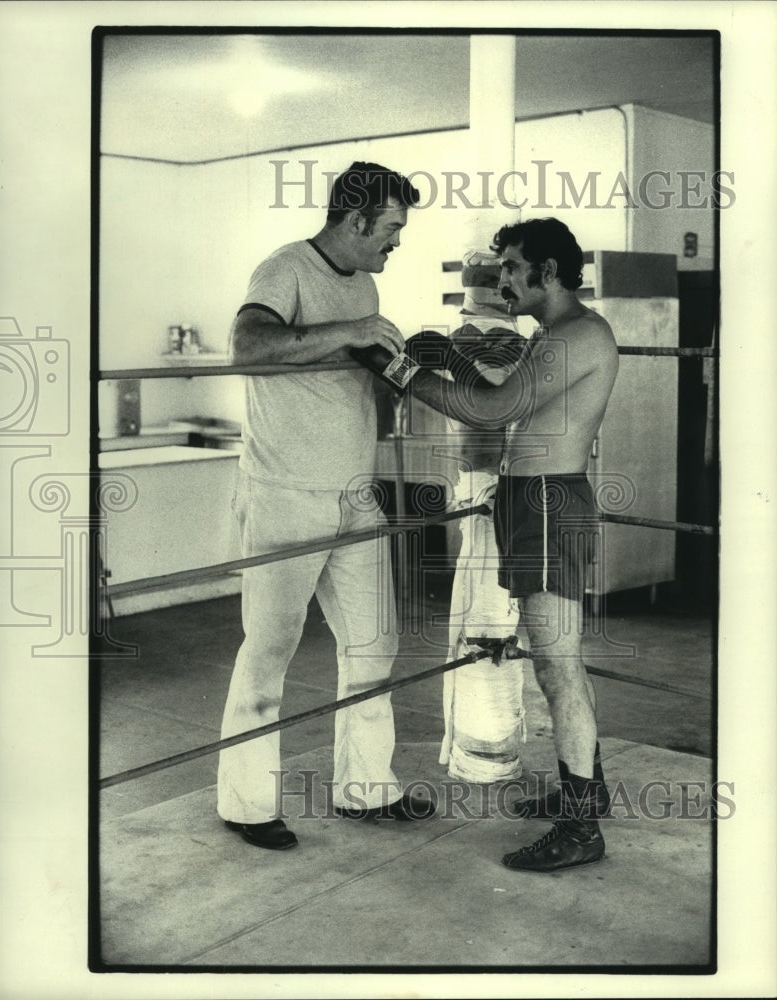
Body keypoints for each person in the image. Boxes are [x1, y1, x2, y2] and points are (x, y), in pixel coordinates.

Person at [353, 218, 619, 872]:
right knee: (556, 661)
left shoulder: (574, 337)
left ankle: (580, 826)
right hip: (532, 501)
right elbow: (501, 402)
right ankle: (588, 789)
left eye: (511, 268)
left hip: (548, 503)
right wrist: (443, 360)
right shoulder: (553, 335)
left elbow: (491, 412)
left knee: (556, 666)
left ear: (547, 272)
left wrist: (398, 368)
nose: (500, 280)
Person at [218, 161, 435, 852]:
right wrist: (350, 332)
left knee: (374, 642)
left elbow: (351, 378)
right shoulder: (283, 269)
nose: (395, 243)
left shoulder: (363, 285)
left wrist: (394, 374)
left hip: (353, 495)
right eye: (391, 228)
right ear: (355, 219)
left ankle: (367, 789)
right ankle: (247, 805)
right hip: (283, 494)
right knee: (270, 651)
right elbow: (247, 347)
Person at [438, 250, 529, 784]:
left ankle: (483, 759)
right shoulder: (507, 340)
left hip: (489, 490)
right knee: (489, 615)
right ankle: (486, 751)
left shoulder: (479, 342)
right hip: (494, 489)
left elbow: (489, 402)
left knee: (485, 620)